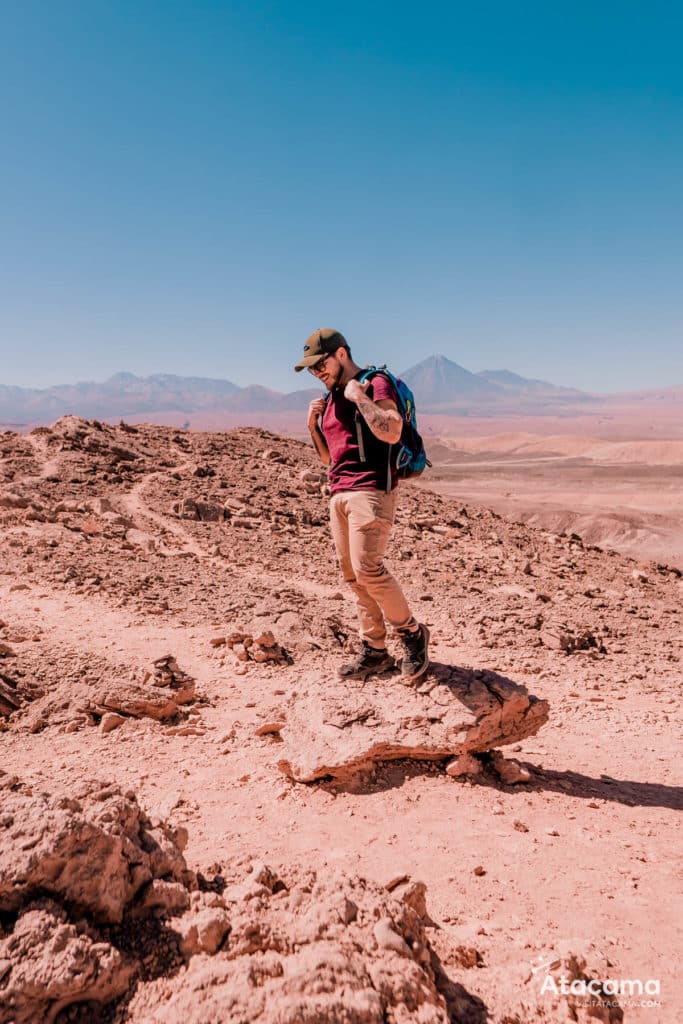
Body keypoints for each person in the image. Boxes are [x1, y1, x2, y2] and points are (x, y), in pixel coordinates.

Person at [294, 327, 430, 682]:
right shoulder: (332, 397)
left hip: (371, 490)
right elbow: (330, 458)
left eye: (319, 364)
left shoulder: (374, 382)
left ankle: (412, 635)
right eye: (310, 369)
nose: (316, 373)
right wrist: (313, 425)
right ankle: (374, 650)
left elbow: (391, 431)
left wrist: (360, 398)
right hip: (339, 491)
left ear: (340, 354)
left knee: (368, 568)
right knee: (353, 577)